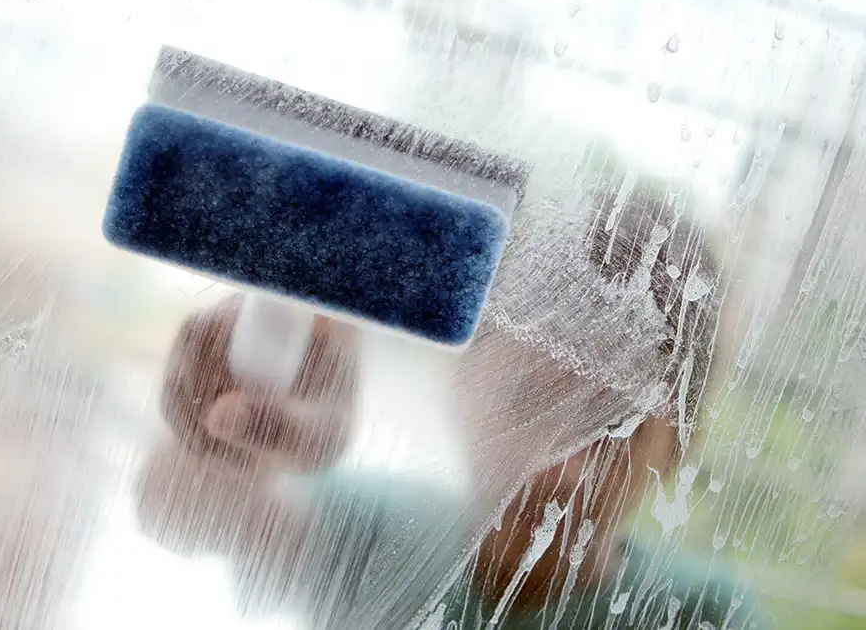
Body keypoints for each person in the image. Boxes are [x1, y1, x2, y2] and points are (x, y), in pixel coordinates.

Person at [136, 190, 768, 629]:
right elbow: (179, 512)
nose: (560, 465)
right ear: (462, 380)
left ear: (678, 447)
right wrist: (234, 417)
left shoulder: (701, 616)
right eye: (526, 400)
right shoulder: (374, 532)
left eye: (613, 428)